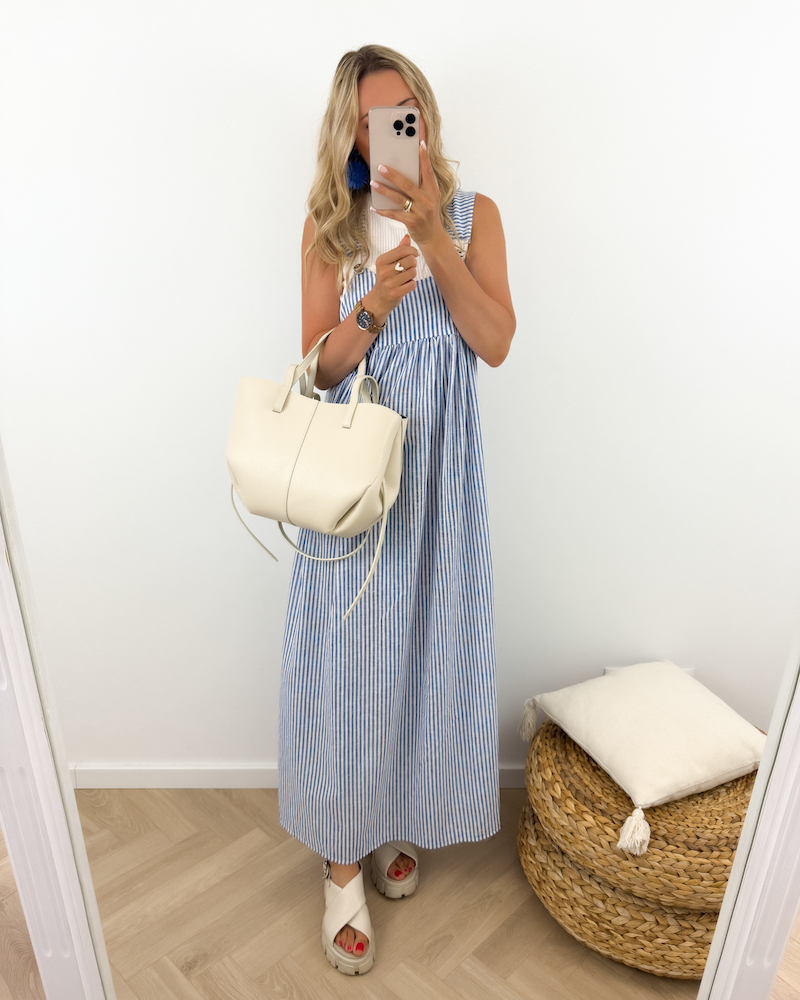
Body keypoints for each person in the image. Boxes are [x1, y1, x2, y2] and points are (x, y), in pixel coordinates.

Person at [279, 44, 515, 975]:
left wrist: (436, 244)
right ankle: (341, 862)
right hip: (351, 490)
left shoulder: (473, 215)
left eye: (404, 111)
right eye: (373, 120)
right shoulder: (327, 229)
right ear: (350, 135)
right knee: (348, 671)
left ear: (423, 116)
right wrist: (374, 301)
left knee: (422, 656)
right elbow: (316, 372)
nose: (391, 133)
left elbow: (493, 342)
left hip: (441, 485)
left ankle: (394, 816)